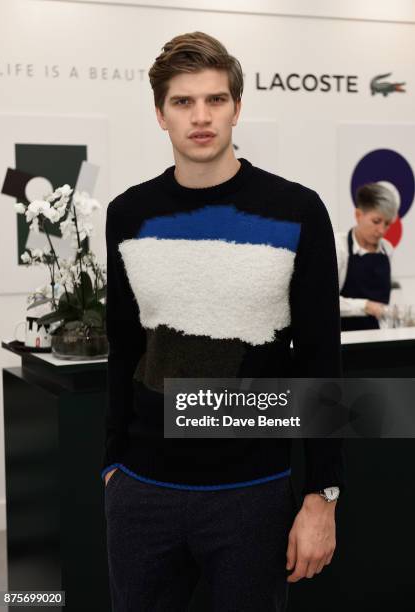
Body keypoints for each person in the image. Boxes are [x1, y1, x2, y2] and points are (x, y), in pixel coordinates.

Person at [101, 31, 345, 612]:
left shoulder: (296, 210)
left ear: (238, 107)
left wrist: (322, 495)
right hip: (141, 491)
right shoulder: (130, 214)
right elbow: (124, 346)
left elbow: (319, 359)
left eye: (215, 100)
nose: (201, 117)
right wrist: (111, 465)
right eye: (183, 102)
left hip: (253, 494)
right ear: (160, 114)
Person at [335, 183, 398, 331]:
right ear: (358, 215)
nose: (382, 230)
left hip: (379, 337)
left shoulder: (387, 249)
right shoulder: (339, 246)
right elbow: (324, 301)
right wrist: (367, 306)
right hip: (345, 339)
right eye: (376, 221)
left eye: (387, 224)